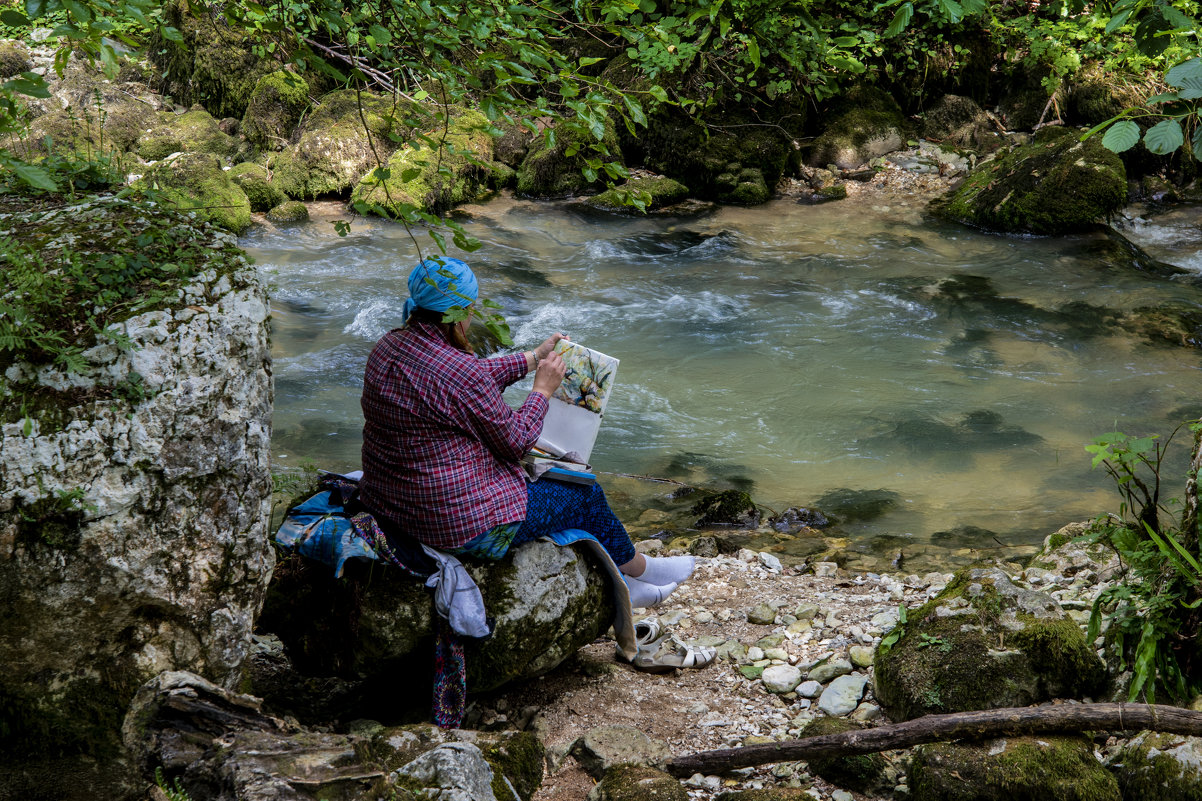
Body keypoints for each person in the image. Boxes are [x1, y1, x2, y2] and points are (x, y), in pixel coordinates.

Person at [359, 257, 696, 607]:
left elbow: (463, 378)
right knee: (583, 494)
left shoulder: (388, 346)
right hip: (455, 527)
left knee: (559, 487)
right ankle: (641, 570)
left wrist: (535, 357)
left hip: (392, 508)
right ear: (460, 313)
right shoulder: (461, 372)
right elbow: (516, 442)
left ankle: (624, 580)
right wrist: (542, 391)